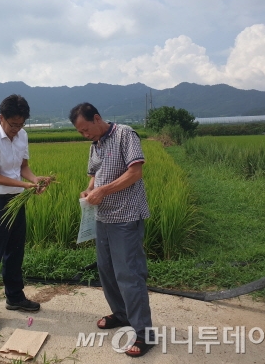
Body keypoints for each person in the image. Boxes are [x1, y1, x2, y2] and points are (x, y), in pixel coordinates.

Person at [69, 102, 154, 358]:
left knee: (129, 274)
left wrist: (103, 190)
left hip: (126, 216)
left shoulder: (124, 134)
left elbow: (135, 172)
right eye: (81, 133)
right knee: (106, 271)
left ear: (97, 118)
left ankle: (144, 334)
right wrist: (89, 189)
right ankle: (121, 314)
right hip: (103, 217)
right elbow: (95, 175)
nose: (86, 135)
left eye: (86, 129)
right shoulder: (95, 145)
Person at [0, 94, 50, 331]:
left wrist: (35, 180)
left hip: (17, 200)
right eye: (12, 125)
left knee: (15, 252)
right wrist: (25, 185)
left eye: (21, 125)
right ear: (1, 118)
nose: (16, 129)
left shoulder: (22, 135)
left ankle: (15, 297)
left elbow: (24, 168)